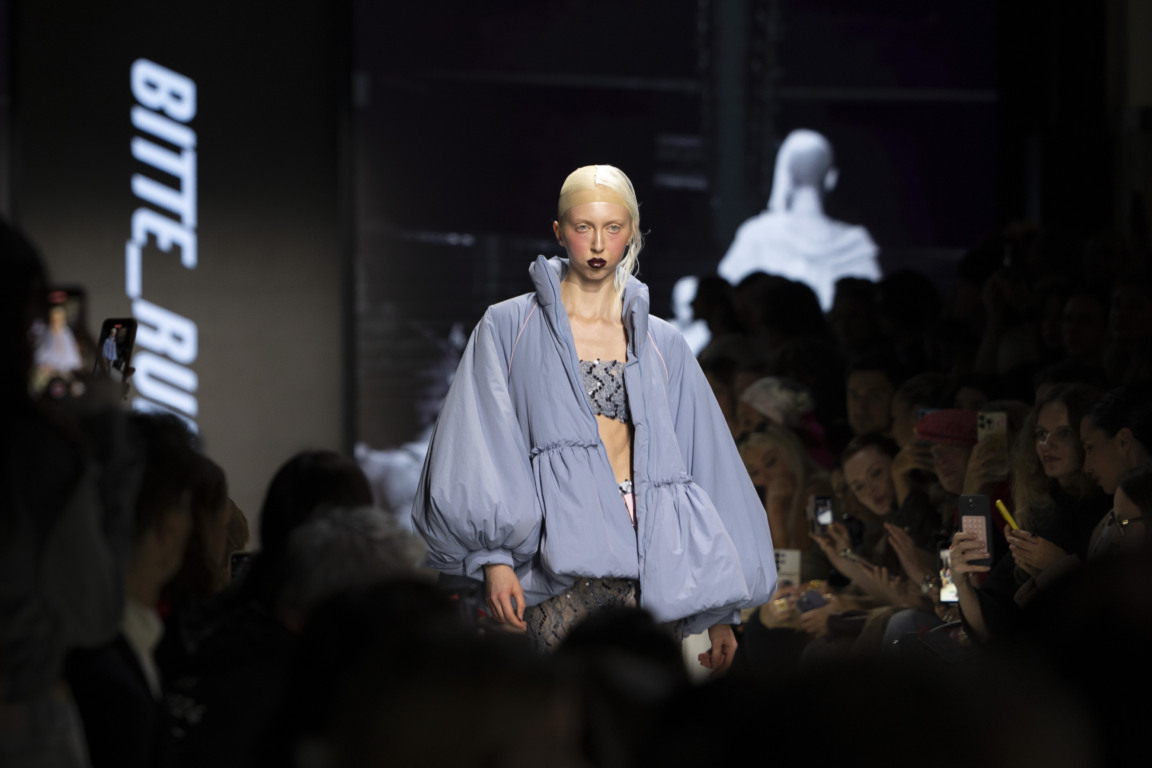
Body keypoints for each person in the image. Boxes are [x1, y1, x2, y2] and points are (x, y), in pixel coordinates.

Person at [413, 165, 776, 671]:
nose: (599, 244)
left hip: (648, 563)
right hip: (552, 565)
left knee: (639, 706)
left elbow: (705, 463)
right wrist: (493, 558)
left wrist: (719, 610)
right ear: (559, 231)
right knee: (561, 703)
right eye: (584, 227)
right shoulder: (509, 326)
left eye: (613, 227)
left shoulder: (662, 342)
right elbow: (479, 443)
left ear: (632, 232)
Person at [717, 129, 880, 311]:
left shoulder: (756, 235)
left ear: (785, 174)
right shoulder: (854, 245)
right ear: (831, 178)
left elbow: (722, 297)